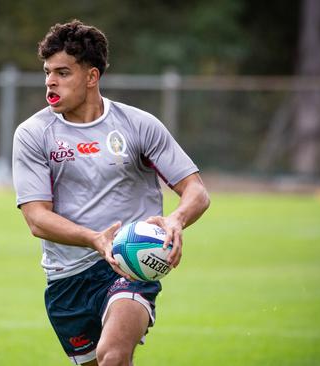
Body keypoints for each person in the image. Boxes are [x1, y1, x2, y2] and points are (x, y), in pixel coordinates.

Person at [12, 20, 210, 366]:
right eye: (47, 72)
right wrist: (94, 239)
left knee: (113, 357)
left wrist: (176, 219)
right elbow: (36, 218)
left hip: (128, 262)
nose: (50, 82)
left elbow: (195, 189)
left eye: (62, 72)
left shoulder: (138, 125)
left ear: (91, 77)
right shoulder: (33, 134)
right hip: (66, 279)